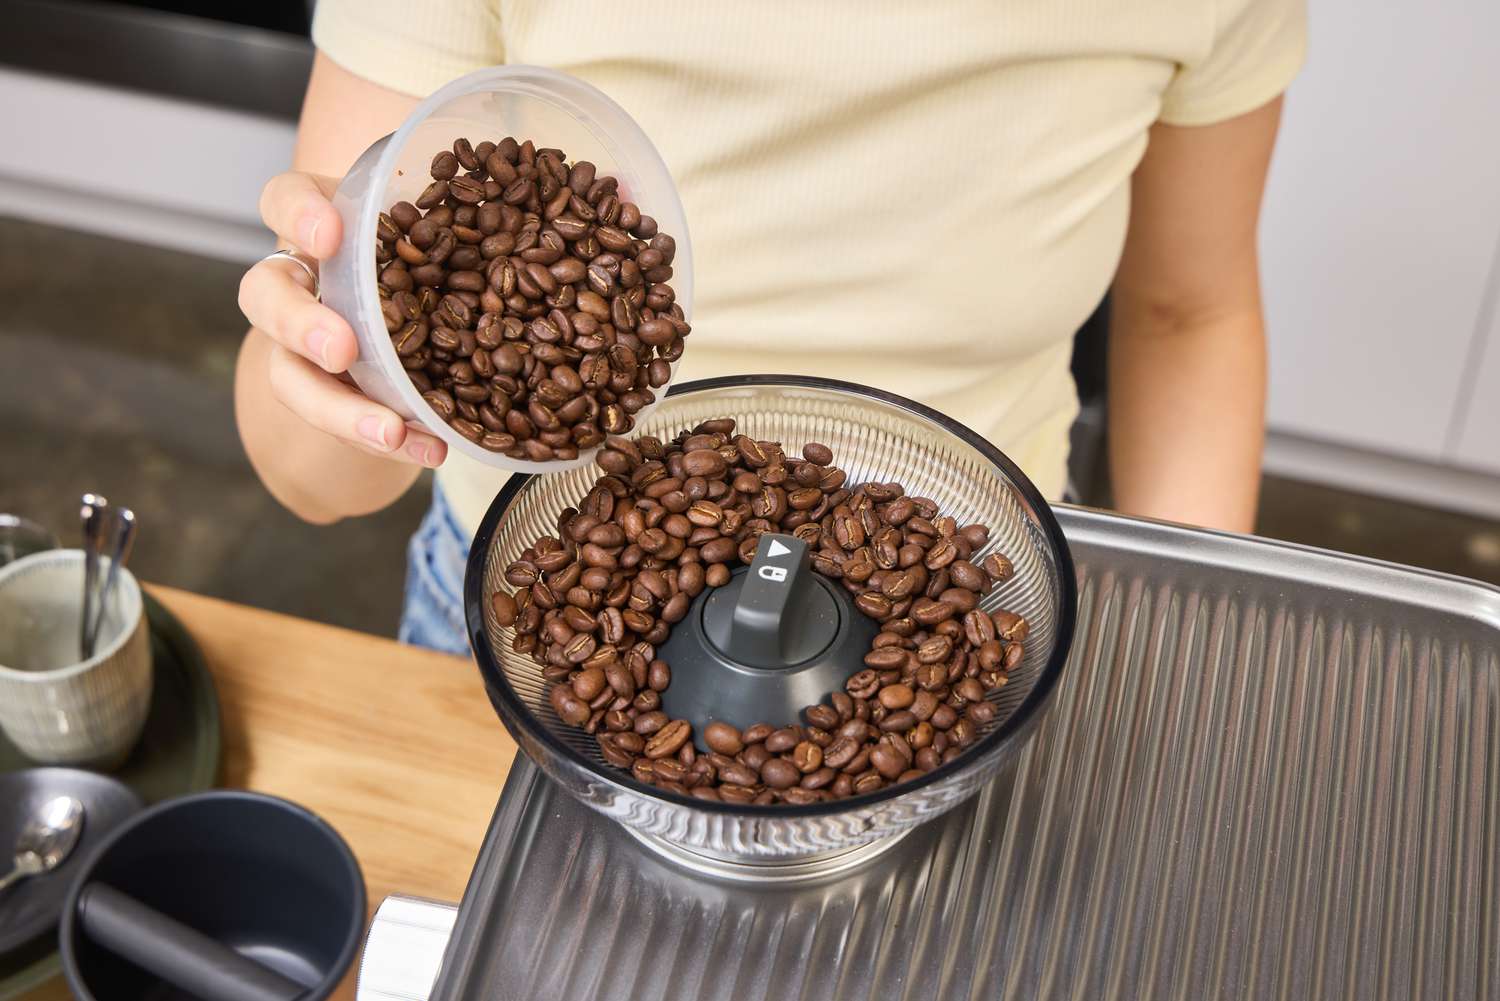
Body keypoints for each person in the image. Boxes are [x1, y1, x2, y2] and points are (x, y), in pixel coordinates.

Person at [235, 1, 1306, 654]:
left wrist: (1186, 633)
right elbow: (311, 479)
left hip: (979, 601)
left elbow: (1189, 317)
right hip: (533, 611)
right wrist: (345, 356)